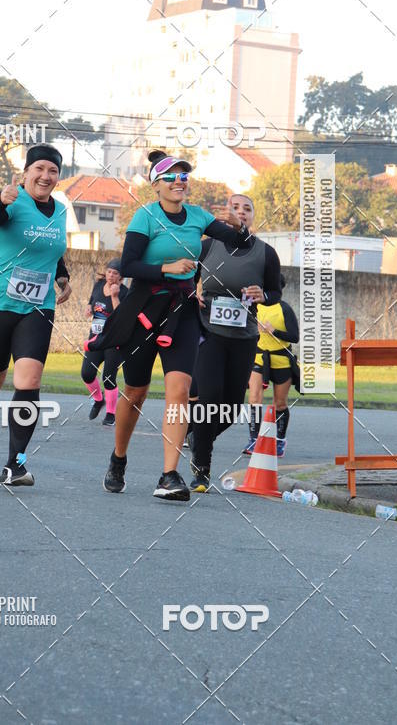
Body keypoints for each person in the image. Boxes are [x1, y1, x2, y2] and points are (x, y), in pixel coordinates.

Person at [98, 151, 250, 501]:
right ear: (156, 185)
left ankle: (169, 475)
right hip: (144, 309)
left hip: (182, 311)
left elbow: (239, 242)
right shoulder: (146, 216)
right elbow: (128, 265)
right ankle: (118, 458)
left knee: (179, 390)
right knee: (135, 391)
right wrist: (166, 268)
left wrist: (238, 224)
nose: (179, 181)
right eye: (171, 177)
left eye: (184, 176)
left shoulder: (198, 216)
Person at [0, 144, 71, 486]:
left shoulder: (60, 210)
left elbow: (51, 248)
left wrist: (62, 276)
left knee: (30, 381)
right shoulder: (11, 200)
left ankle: (16, 463)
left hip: (38, 307)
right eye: (39, 169)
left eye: (52, 170)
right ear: (26, 173)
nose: (45, 176)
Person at [190, 194, 282, 491]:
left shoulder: (266, 253)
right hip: (209, 334)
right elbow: (186, 276)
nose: (241, 212)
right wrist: (193, 293)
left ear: (253, 216)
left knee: (230, 408)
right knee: (209, 398)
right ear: (225, 212)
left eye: (247, 208)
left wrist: (263, 295)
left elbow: (275, 291)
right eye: (235, 206)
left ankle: (198, 437)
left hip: (244, 338)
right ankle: (201, 468)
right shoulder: (207, 246)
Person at [246, 274, 299, 457]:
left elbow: (295, 337)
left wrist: (274, 331)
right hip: (259, 357)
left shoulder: (284, 309)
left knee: (280, 403)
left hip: (281, 360)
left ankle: (280, 441)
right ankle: (254, 440)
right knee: (254, 398)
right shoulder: (253, 306)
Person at [81, 258, 127, 426]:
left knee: (108, 377)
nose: (111, 275)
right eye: (109, 271)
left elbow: (121, 316)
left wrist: (114, 296)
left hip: (114, 341)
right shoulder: (99, 285)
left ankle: (111, 413)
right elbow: (92, 301)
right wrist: (89, 307)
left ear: (121, 277)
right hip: (96, 338)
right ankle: (98, 400)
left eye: (115, 273)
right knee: (87, 374)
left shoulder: (125, 292)